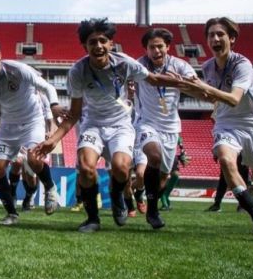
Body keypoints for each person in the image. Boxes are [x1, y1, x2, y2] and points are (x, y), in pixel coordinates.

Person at [34, 18, 186, 233]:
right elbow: (74, 114)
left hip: (121, 125)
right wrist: (53, 140)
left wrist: (184, 83)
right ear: (85, 46)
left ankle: (117, 198)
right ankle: (92, 219)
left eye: (102, 41)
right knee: (86, 168)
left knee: (121, 168)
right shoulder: (77, 71)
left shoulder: (124, 63)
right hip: (92, 125)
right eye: (92, 42)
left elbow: (152, 78)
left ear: (111, 44)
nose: (98, 46)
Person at [182, 17, 253, 236]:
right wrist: (184, 85)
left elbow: (233, 98)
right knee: (225, 160)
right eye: (211, 35)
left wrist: (202, 86)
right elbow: (211, 98)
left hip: (251, 123)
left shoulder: (242, 64)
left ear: (232, 39)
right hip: (225, 122)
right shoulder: (207, 66)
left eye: (220, 34)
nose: (215, 39)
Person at [0, 34, 64, 226]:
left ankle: (49, 187)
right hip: (7, 126)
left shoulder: (18, 69)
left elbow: (47, 87)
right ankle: (11, 213)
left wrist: (55, 105)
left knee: (33, 159)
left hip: (32, 122)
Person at [132, 28, 197, 226]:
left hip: (171, 127)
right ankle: (152, 212)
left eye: (160, 46)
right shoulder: (139, 65)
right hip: (146, 123)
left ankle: (146, 198)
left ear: (168, 47)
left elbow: (195, 84)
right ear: (146, 49)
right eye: (152, 47)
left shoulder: (180, 65)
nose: (156, 50)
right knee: (154, 157)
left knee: (164, 176)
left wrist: (181, 81)